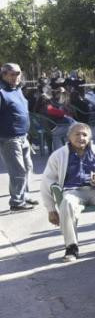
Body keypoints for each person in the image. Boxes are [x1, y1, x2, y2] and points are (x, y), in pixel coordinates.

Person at [41, 122, 95, 262]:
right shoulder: (59, 155)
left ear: (89, 138)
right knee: (68, 203)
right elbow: (47, 181)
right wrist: (51, 209)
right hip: (73, 191)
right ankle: (71, 246)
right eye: (77, 134)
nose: (81, 137)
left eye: (85, 135)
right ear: (69, 137)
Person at [1, 62, 37, 212]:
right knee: (18, 170)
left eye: (18, 73)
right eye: (12, 74)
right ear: (3, 75)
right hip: (9, 138)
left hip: (23, 136)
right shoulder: (1, 91)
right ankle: (16, 202)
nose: (16, 76)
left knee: (28, 167)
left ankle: (23, 195)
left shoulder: (17, 89)